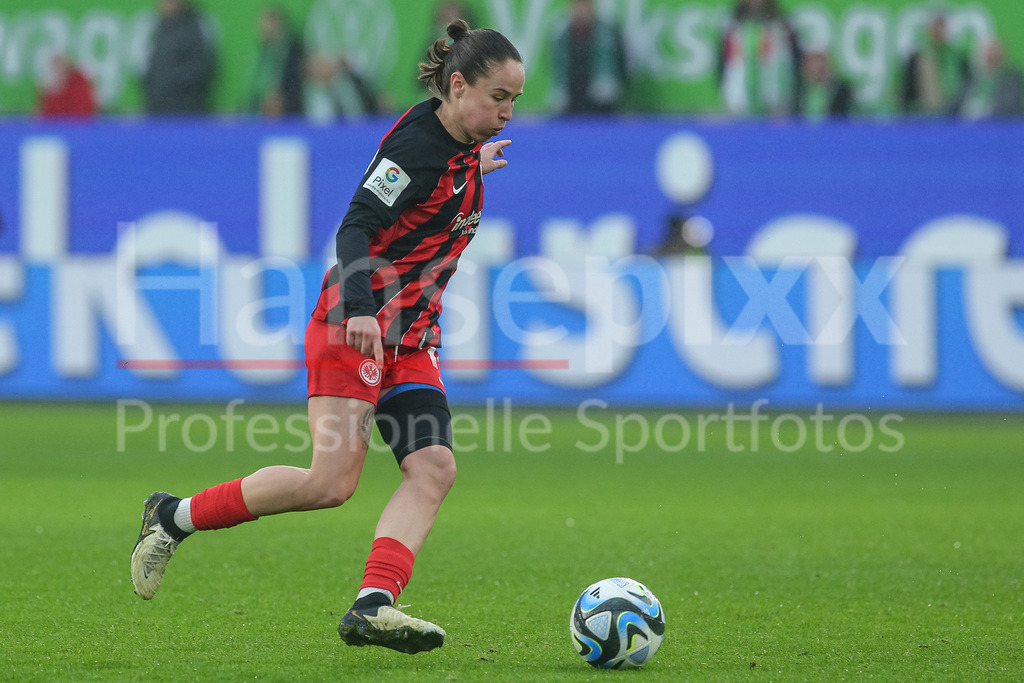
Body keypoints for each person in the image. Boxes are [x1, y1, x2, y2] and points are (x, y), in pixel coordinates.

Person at [130, 19, 524, 655]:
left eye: (515, 100)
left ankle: (374, 604)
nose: (509, 112)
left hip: (411, 340)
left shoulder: (454, 149)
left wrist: (470, 165)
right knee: (330, 484)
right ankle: (173, 516)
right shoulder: (415, 150)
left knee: (433, 469)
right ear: (457, 85)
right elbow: (355, 227)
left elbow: (434, 194)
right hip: (355, 329)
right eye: (499, 98)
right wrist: (364, 308)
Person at [719, 0, 802, 118]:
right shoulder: (731, 24)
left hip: (776, 98)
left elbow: (796, 58)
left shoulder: (783, 24)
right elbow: (722, 61)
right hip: (739, 97)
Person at [549, 0, 628, 114]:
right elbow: (555, 66)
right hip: (571, 103)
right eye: (577, 5)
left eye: (585, 4)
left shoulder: (608, 33)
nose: (581, 9)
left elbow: (623, 65)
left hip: (602, 103)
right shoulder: (561, 36)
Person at [143, 0, 217, 115]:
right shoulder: (153, 26)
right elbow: (145, 69)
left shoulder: (197, 25)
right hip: (157, 111)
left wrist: (171, 81)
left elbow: (204, 68)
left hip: (188, 113)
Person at [900, 10, 970, 116]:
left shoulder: (959, 58)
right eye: (935, 26)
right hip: (922, 117)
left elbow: (966, 88)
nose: (938, 30)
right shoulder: (916, 58)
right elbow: (907, 93)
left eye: (941, 26)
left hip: (953, 117)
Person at [245, 5, 305, 117]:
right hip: (259, 110)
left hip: (289, 111)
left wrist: (282, 102)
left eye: (270, 22)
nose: (265, 27)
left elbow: (298, 85)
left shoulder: (294, 52)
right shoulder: (261, 52)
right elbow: (252, 88)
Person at [956, 39, 1024, 120]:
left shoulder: (1013, 80)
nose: (992, 58)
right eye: (988, 55)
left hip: (995, 125)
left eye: (996, 55)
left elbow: (1009, 106)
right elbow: (955, 104)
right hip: (963, 126)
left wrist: (982, 116)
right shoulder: (971, 79)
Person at [304, 53, 381, 123]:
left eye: (326, 64)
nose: (323, 69)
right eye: (319, 65)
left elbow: (365, 111)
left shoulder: (353, 84)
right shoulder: (303, 91)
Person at [796, 51, 853, 120]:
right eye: (811, 61)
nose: (816, 66)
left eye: (820, 60)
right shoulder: (796, 90)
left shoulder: (841, 92)